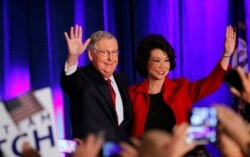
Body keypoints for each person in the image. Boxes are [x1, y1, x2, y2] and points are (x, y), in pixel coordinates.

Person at [129, 25, 236, 137]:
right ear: (146, 63)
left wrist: (226, 55)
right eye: (157, 60)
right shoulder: (132, 94)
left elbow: (210, 84)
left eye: (166, 61)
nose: (162, 66)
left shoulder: (181, 88)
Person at [61, 25, 132, 141]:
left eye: (114, 52)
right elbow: (70, 82)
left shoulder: (122, 80)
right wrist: (73, 57)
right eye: (105, 52)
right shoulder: (82, 78)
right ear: (91, 54)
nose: (111, 58)